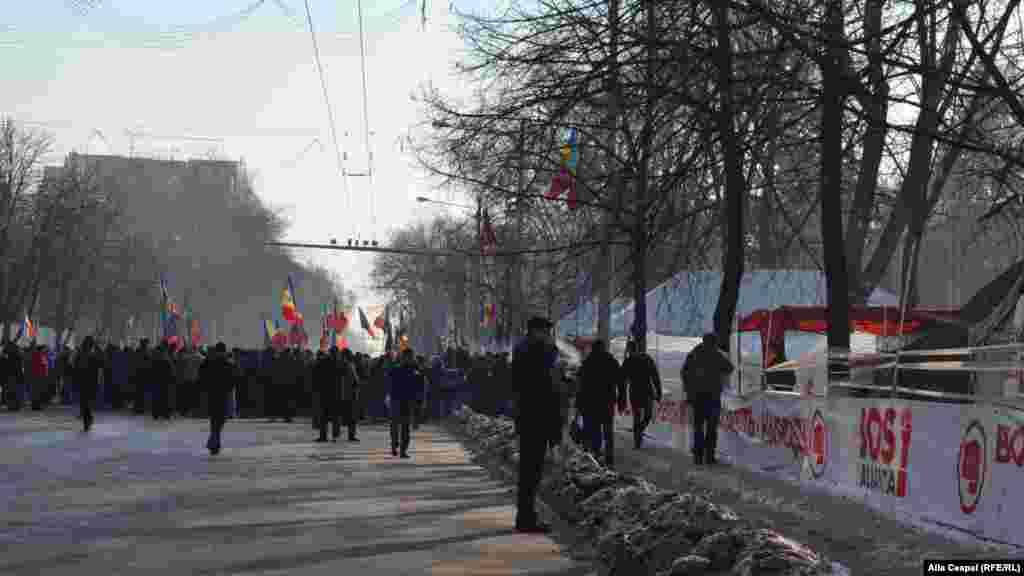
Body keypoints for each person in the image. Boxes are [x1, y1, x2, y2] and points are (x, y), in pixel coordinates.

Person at [510, 316, 561, 534]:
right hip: (537, 418)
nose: (549, 336)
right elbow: (546, 387)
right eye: (546, 332)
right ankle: (526, 518)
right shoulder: (536, 351)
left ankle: (526, 516)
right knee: (532, 471)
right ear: (537, 332)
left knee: (529, 471)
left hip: (527, 417)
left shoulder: (522, 349)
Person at [681, 333, 735, 465]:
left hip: (696, 397)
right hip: (712, 397)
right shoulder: (716, 355)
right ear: (714, 343)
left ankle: (698, 456)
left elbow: (684, 373)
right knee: (711, 428)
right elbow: (730, 368)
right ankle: (709, 456)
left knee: (698, 427)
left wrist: (689, 390)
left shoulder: (694, 353)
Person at [577, 339, 622, 467]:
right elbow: (620, 381)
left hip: (591, 402)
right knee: (608, 431)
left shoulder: (587, 362)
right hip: (607, 402)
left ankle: (596, 455)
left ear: (593, 348)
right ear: (604, 348)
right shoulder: (611, 361)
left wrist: (579, 404)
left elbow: (581, 385)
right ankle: (609, 458)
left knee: (595, 429)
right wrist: (621, 399)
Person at [621, 340, 663, 449]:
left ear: (629, 350)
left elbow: (622, 381)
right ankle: (638, 435)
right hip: (646, 391)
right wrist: (659, 392)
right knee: (647, 416)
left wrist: (622, 398)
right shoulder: (646, 358)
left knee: (637, 416)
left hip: (635, 392)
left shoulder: (628, 361)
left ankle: (637, 438)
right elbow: (655, 376)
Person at [387, 348, 424, 458]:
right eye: (408, 357)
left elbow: (420, 386)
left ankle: (400, 448)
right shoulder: (408, 369)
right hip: (399, 400)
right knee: (398, 425)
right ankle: (396, 446)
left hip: (404, 401)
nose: (409, 359)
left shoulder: (412, 369)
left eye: (410, 357)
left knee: (403, 426)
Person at [202, 342, 236, 455]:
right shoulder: (228, 364)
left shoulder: (208, 362)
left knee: (214, 420)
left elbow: (202, 376)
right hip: (223, 394)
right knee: (220, 420)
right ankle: (214, 442)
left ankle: (214, 443)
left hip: (212, 394)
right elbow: (233, 380)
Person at [74, 336, 103, 432]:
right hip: (91, 382)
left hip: (82, 381)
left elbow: (75, 367)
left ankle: (87, 420)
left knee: (84, 402)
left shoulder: (80, 354)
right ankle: (88, 419)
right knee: (88, 402)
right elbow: (101, 363)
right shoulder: (93, 355)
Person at [314, 348, 340, 442]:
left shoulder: (322, 361)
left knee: (323, 416)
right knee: (335, 416)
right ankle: (335, 436)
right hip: (336, 392)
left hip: (324, 391)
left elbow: (316, 375)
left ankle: (323, 436)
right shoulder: (340, 362)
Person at [339, 349, 361, 441]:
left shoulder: (341, 365)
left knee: (345, 415)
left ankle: (337, 434)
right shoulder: (350, 365)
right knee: (352, 416)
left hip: (343, 393)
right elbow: (355, 380)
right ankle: (351, 435)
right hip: (351, 394)